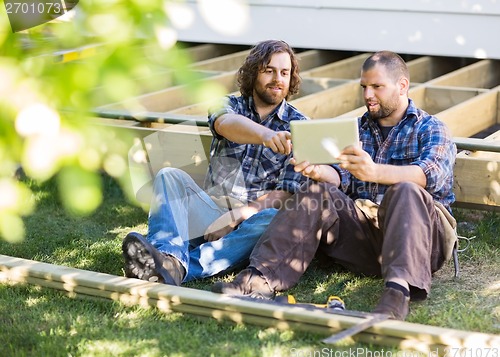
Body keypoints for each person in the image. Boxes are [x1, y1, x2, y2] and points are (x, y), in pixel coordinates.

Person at [212, 50, 457, 321]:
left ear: (402, 86)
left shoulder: (431, 128)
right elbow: (340, 177)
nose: (368, 95)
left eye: (377, 87)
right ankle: (258, 280)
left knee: (406, 189)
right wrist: (318, 171)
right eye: (364, 87)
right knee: (317, 191)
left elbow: (429, 174)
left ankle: (397, 293)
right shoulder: (357, 130)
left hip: (419, 243)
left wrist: (375, 172)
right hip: (370, 241)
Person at [122, 40, 308, 286]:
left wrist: (235, 216)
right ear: (254, 73)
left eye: (284, 72)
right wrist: (265, 135)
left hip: (250, 223)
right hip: (208, 210)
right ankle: (166, 254)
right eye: (269, 70)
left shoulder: (300, 125)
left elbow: (286, 192)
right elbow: (224, 124)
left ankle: (174, 265)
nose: (277, 78)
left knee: (273, 218)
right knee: (168, 175)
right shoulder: (229, 105)